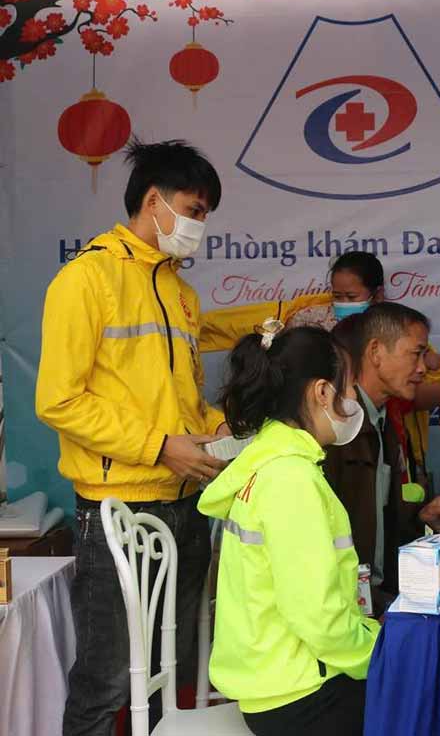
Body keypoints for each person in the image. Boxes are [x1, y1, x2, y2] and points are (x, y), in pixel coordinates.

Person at [36, 139, 321, 736]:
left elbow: (182, 397)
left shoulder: (179, 292)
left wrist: (220, 434)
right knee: (108, 678)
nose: (198, 226)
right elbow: (57, 400)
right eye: (193, 211)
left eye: (204, 216)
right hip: (118, 512)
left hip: (186, 501)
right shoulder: (84, 279)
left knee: (172, 671)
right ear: (152, 202)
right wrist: (161, 445)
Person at [198, 325, 379, 735]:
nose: (353, 402)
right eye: (348, 389)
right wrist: (377, 652)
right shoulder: (291, 480)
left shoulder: (267, 463)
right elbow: (316, 616)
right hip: (302, 694)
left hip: (278, 680)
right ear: (320, 392)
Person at [326, 304, 440, 608]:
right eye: (415, 354)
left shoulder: (383, 419)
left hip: (377, 597)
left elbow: (376, 516)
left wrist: (418, 517)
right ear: (375, 352)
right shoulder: (335, 432)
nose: (422, 369)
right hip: (345, 607)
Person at [285, 250, 440, 468]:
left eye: (351, 297)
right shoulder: (343, 439)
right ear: (374, 352)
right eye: (338, 296)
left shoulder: (385, 409)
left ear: (377, 294)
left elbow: (407, 394)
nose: (420, 369)